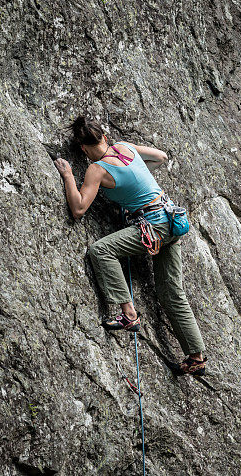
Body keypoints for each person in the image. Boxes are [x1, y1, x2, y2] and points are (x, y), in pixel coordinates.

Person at [53, 115, 207, 376]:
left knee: (101, 251)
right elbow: (160, 157)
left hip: (153, 225)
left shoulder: (97, 169)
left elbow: (78, 208)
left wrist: (68, 175)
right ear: (104, 136)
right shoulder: (124, 147)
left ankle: (128, 314)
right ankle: (196, 357)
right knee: (171, 291)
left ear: (82, 148)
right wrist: (137, 179)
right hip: (171, 219)